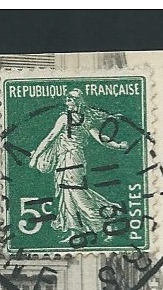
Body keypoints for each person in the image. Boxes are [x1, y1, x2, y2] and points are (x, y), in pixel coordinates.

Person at [28, 89, 128, 243]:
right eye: (67, 100)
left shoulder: (68, 119)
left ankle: (105, 224)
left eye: (69, 100)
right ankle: (75, 232)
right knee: (67, 195)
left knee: (77, 194)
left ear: (76, 102)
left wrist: (35, 156)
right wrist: (118, 145)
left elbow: (50, 138)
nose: (67, 103)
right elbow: (102, 138)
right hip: (67, 159)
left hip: (71, 159)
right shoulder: (84, 120)